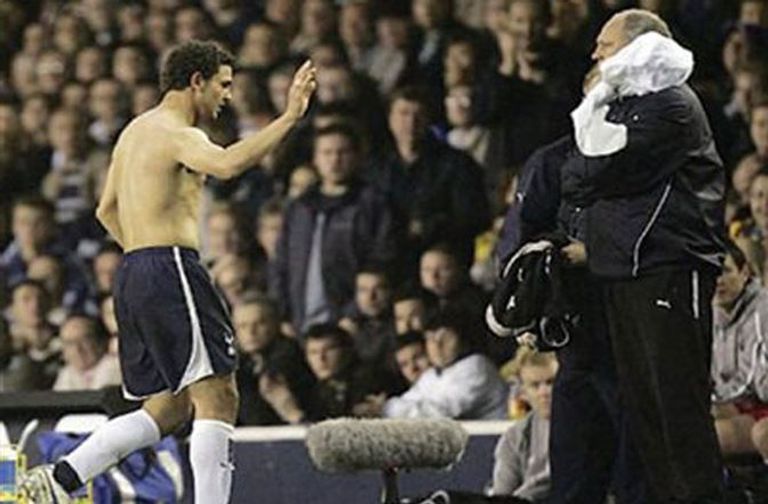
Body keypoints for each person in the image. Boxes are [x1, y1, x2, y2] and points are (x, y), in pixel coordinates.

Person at [20, 40, 316, 504]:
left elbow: (105, 210)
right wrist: (290, 117)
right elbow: (228, 163)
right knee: (219, 395)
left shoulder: (133, 132)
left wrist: (143, 253)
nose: (227, 96)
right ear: (196, 81)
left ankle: (59, 479)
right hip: (171, 267)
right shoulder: (178, 132)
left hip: (133, 270)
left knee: (168, 407)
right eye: (223, 85)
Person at [572, 9, 726, 503]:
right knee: (647, 415)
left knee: (677, 410)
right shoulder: (636, 105)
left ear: (641, 46)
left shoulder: (672, 104)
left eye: (605, 44)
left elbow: (598, 169)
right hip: (627, 269)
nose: (595, 54)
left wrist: (588, 172)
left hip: (667, 267)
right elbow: (575, 171)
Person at [492, 348, 558, 503]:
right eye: (535, 385)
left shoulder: (590, 427)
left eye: (551, 382)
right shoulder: (514, 437)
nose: (544, 392)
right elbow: (502, 494)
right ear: (523, 392)